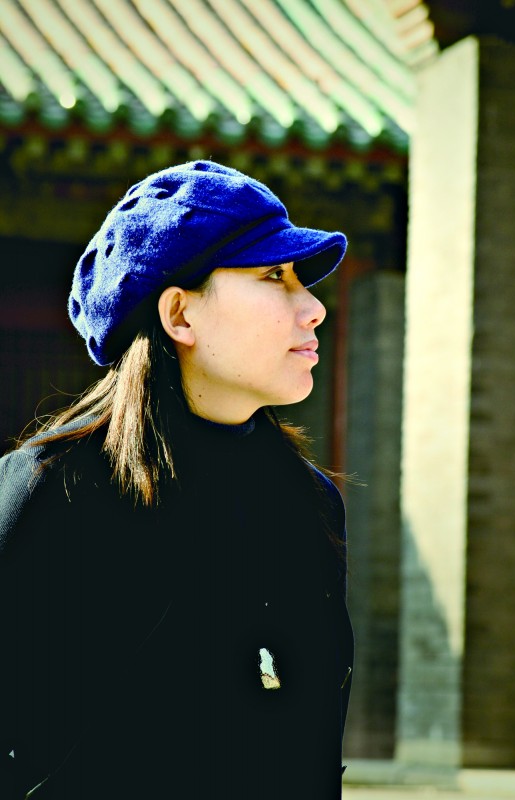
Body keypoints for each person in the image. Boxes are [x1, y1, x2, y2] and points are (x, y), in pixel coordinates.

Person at [0, 160, 354, 799]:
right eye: (274, 275)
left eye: (302, 280)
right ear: (180, 316)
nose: (314, 308)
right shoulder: (46, 493)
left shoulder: (309, 502)